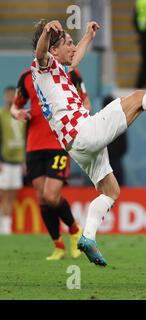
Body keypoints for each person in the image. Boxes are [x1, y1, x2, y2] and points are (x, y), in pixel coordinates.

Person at [31, 19, 146, 266]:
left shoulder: (57, 70)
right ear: (53, 50)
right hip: (84, 130)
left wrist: (88, 36)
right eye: (68, 43)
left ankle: (88, 237)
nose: (72, 48)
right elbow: (40, 52)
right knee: (140, 98)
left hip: (76, 145)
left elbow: (75, 57)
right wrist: (47, 31)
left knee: (111, 191)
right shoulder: (42, 65)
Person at [11, 61, 91, 261]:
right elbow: (15, 106)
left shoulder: (70, 74)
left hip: (59, 143)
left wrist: (77, 120)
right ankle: (58, 246)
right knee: (41, 197)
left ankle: (74, 231)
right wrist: (17, 113)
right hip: (34, 145)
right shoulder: (27, 77)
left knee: (51, 195)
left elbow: (86, 104)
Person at [0, 87, 25, 234]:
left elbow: (26, 137)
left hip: (17, 161)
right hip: (4, 160)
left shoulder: (21, 115)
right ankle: (2, 225)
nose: (10, 97)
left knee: (11, 197)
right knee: (2, 195)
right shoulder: (1, 114)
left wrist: (24, 161)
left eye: (12, 95)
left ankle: (6, 228)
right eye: (7, 95)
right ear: (4, 97)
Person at [102, 95, 128, 186]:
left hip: (103, 164)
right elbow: (124, 147)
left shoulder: (98, 123)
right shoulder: (121, 122)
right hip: (115, 163)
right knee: (118, 191)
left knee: (103, 192)